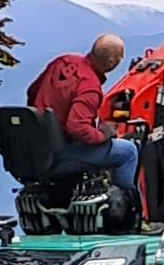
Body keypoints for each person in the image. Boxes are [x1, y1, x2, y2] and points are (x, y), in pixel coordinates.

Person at [25, 34, 138, 193]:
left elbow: (32, 92)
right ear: (112, 62)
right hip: (61, 152)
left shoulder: (63, 61)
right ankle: (128, 207)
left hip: (36, 147)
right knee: (128, 151)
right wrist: (103, 135)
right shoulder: (89, 86)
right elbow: (77, 127)